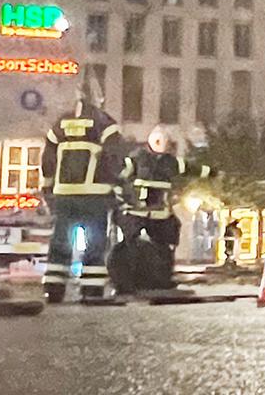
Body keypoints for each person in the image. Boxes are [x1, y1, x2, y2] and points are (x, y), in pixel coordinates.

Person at [39, 90, 125, 303]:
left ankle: (54, 288)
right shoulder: (105, 125)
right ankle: (92, 289)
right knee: (95, 243)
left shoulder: (61, 124)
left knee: (60, 241)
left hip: (65, 195)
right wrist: (118, 187)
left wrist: (48, 188)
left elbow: (48, 159)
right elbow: (115, 158)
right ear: (99, 99)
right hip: (94, 196)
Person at [115, 126, 192, 290]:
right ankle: (128, 281)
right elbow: (119, 179)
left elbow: (188, 171)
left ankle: (162, 279)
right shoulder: (136, 159)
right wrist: (121, 201)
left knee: (166, 245)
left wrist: (214, 172)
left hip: (159, 214)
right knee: (131, 245)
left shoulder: (169, 162)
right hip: (136, 212)